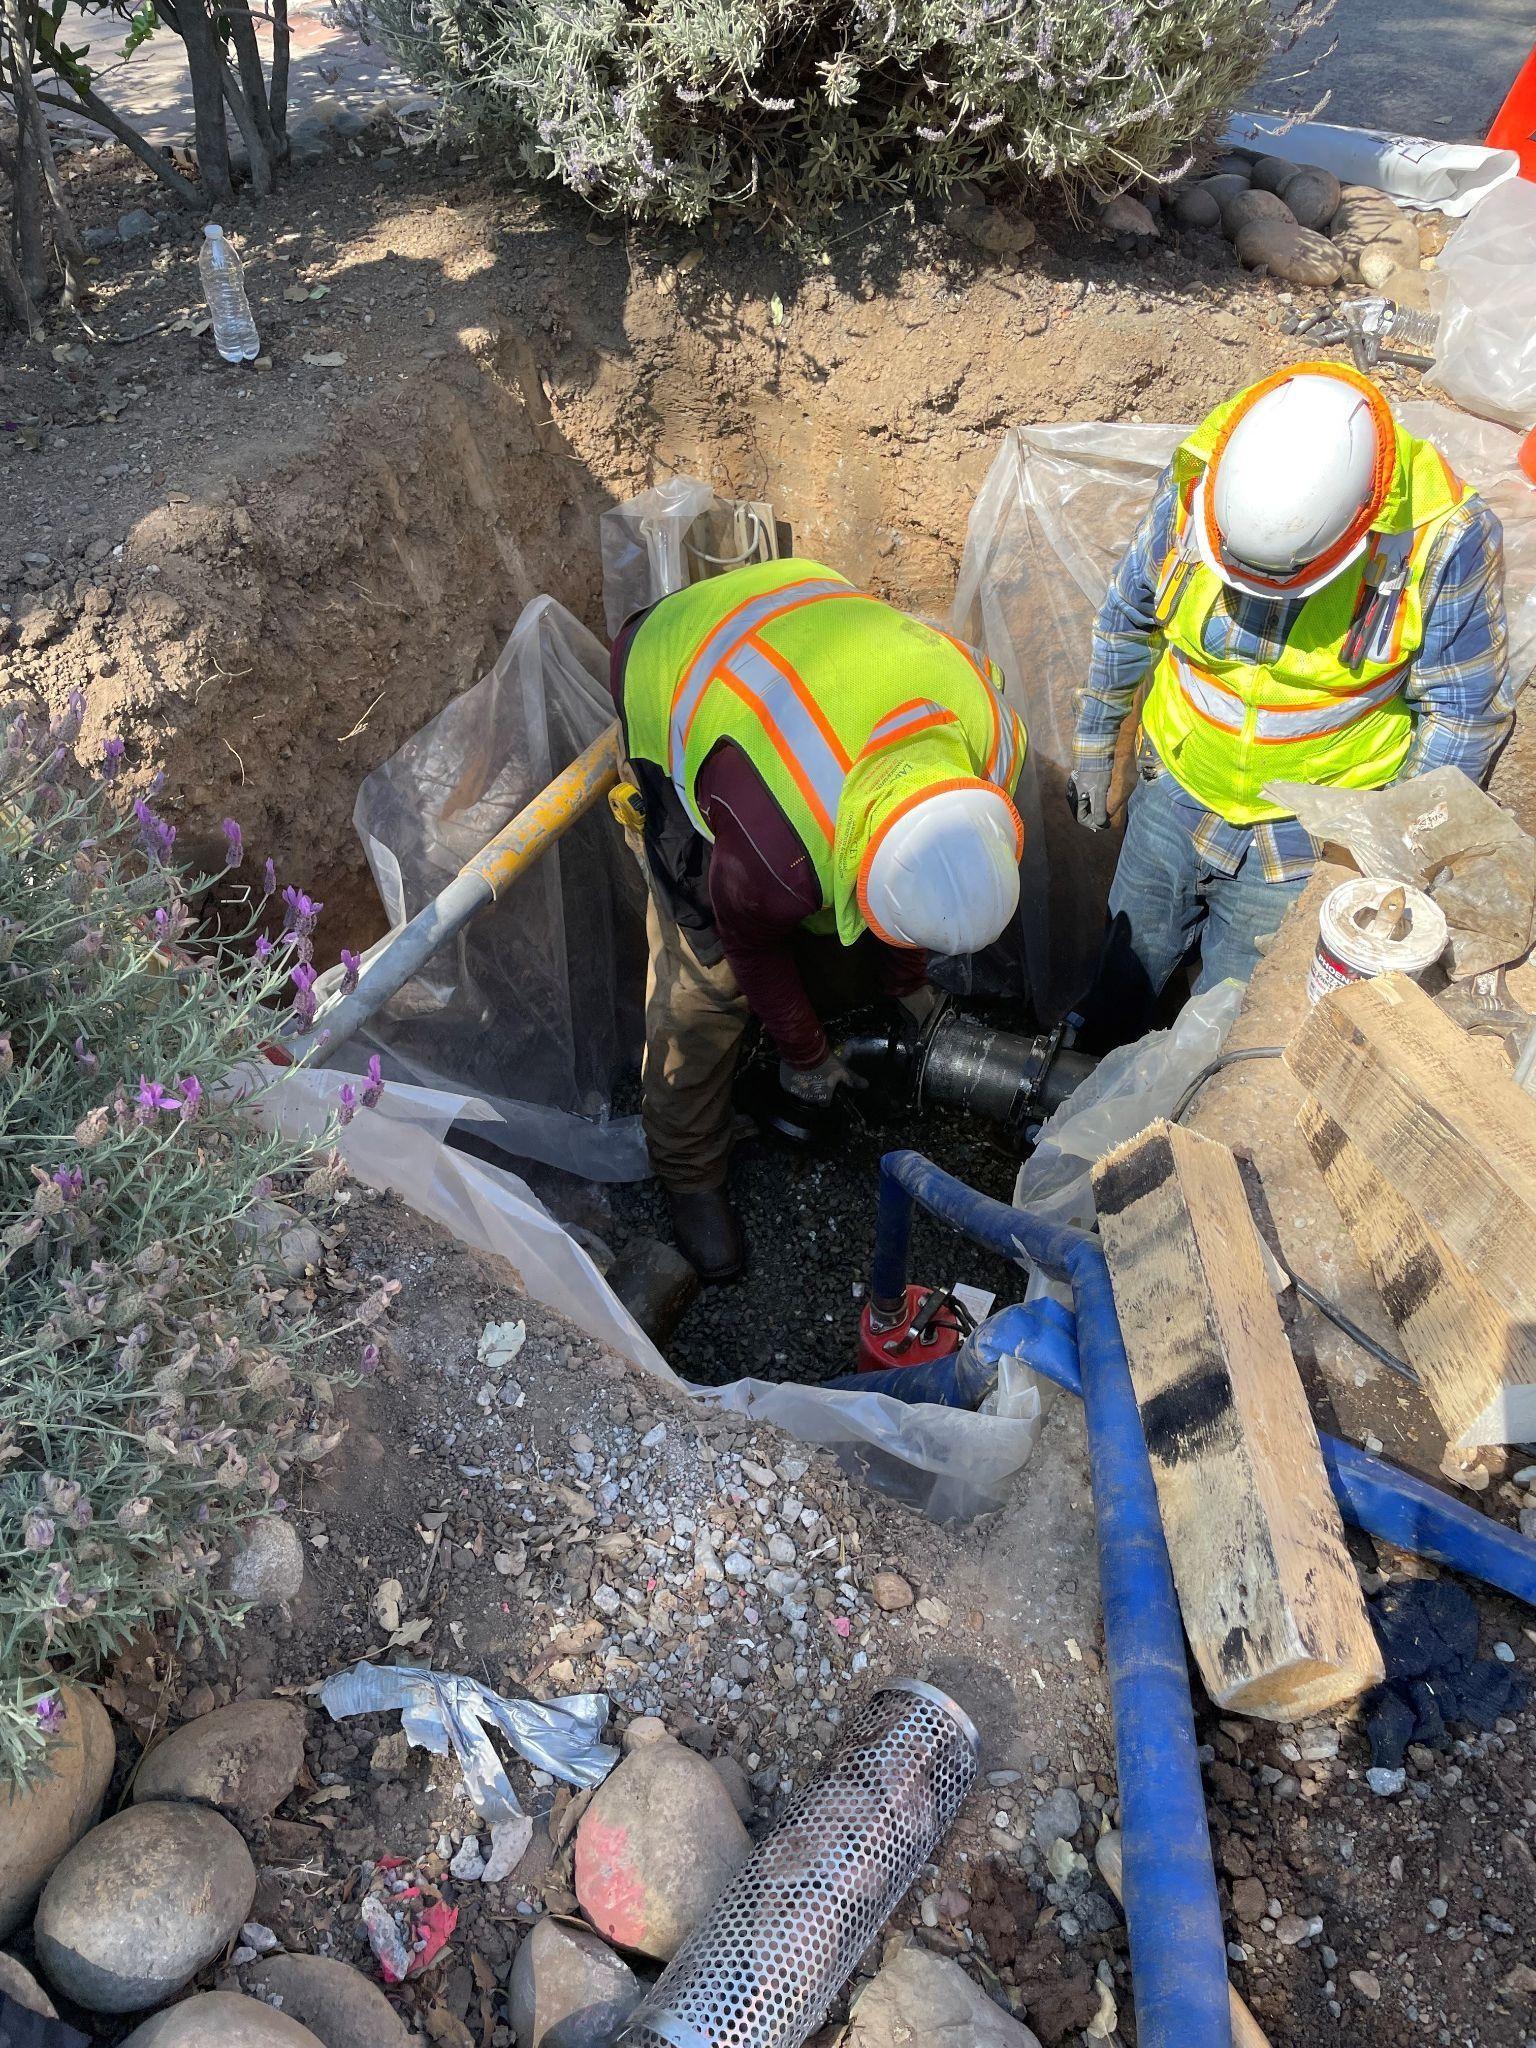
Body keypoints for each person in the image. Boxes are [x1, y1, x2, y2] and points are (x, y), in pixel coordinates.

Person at [1067, 362, 1512, 1047]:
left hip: (1307, 833)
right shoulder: (1204, 482)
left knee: (1234, 1023)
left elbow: (1460, 715)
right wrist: (1098, 750)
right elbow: (1130, 617)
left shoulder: (1441, 536)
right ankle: (1079, 1088)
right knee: (1122, 976)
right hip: (1176, 788)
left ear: (1362, 527)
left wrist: (1390, 858)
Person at [612, 556, 1028, 1281]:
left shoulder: (997, 744)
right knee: (705, 986)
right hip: (671, 665)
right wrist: (805, 1055)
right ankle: (688, 1172)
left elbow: (915, 893)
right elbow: (750, 947)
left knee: (827, 944)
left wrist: (904, 980)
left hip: (791, 613)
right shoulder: (778, 855)